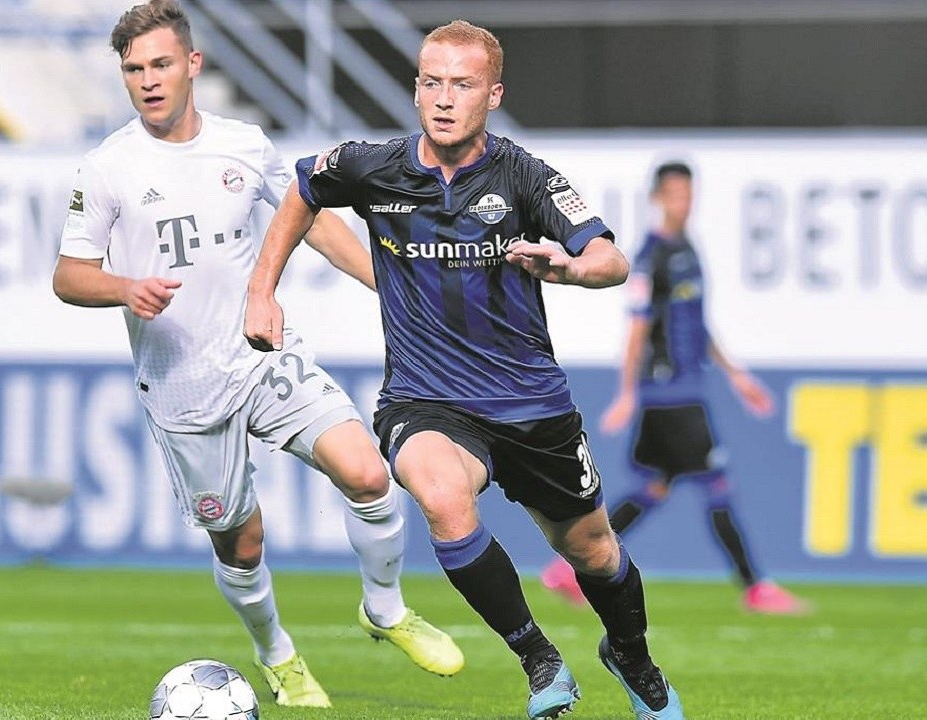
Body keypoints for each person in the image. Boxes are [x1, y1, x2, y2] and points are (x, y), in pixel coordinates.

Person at [245, 19, 684, 720]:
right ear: (416, 89)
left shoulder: (526, 176)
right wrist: (262, 290)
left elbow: (612, 259)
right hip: (426, 399)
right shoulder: (371, 165)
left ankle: (631, 654)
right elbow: (304, 189)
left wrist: (568, 267)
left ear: (493, 95)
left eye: (463, 84)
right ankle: (539, 660)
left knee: (594, 551)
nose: (445, 98)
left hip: (531, 403)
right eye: (432, 82)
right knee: (443, 498)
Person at [51, 0, 462, 709]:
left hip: (262, 353)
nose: (148, 80)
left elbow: (312, 222)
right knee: (241, 544)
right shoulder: (109, 167)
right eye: (134, 70)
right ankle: (278, 656)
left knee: (368, 472)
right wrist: (123, 287)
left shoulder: (243, 144)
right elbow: (67, 275)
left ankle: (386, 608)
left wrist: (388, 285)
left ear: (193, 64)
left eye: (160, 64)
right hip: (182, 384)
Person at [540, 161, 809, 615]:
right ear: (658, 199)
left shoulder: (688, 248)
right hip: (669, 394)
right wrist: (627, 392)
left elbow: (697, 323)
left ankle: (567, 570)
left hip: (687, 387)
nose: (684, 204)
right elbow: (637, 329)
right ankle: (756, 587)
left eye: (689, 194)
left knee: (653, 487)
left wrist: (736, 375)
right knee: (717, 484)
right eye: (676, 195)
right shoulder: (653, 257)